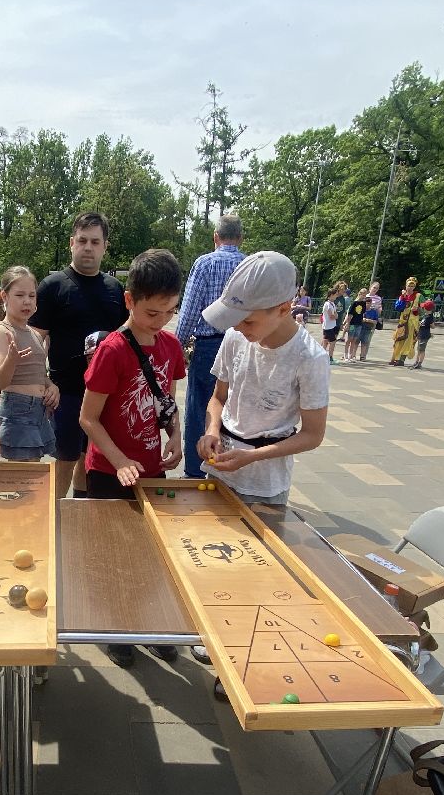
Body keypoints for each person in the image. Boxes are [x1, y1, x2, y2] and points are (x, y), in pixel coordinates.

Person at [79, 248, 186, 667]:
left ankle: (151, 623)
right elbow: (88, 419)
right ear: (129, 301)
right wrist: (120, 459)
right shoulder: (112, 350)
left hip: (152, 467)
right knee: (113, 555)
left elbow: (167, 403)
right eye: (151, 313)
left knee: (151, 552)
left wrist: (174, 436)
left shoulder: (171, 345)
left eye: (169, 312)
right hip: (108, 470)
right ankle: (116, 627)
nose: (160, 322)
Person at [196, 250, 330, 511]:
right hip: (220, 472)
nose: (237, 327)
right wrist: (212, 430)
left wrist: (252, 456)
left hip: (265, 487)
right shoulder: (236, 338)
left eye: (247, 321)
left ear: (283, 309)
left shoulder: (310, 358)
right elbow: (218, 398)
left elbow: (313, 435)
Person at [31, 212, 129, 498]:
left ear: (104, 246)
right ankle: (57, 514)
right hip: (66, 392)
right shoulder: (53, 286)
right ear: (72, 243)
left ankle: (79, 511)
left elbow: (124, 339)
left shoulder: (114, 289)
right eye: (82, 241)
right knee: (65, 457)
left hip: (104, 394)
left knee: (90, 458)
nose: (88, 247)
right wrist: (45, 381)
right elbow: (37, 340)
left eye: (95, 242)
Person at [175, 214, 245, 479]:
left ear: (216, 237)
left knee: (199, 409)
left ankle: (195, 471)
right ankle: (228, 468)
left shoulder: (205, 263)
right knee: (235, 409)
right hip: (244, 345)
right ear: (240, 238)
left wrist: (178, 345)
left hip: (208, 346)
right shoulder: (249, 264)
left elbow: (190, 309)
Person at [0, 265, 58, 462]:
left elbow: (38, 374)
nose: (27, 301)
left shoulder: (35, 334)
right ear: (4, 297)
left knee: (34, 472)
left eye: (31, 295)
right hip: (17, 409)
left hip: (38, 410)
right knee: (23, 477)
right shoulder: (2, 332)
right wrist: (11, 359)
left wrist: (51, 386)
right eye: (19, 295)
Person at [389, 276, 421, 366]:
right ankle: (395, 358)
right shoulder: (402, 296)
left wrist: (418, 309)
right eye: (409, 286)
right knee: (398, 339)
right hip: (402, 322)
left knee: (408, 341)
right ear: (406, 286)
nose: (410, 288)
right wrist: (402, 298)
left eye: (412, 286)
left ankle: (401, 360)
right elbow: (398, 308)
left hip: (412, 323)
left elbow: (425, 307)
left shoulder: (418, 296)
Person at [410, 299, 436, 369]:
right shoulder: (425, 316)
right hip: (421, 334)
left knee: (422, 350)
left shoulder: (430, 317)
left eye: (424, 307)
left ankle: (419, 363)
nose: (422, 308)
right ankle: (416, 362)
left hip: (424, 335)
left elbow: (433, 326)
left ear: (426, 309)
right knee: (419, 349)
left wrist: (430, 329)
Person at [343, 288, 367, 362]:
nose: (364, 296)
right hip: (352, 323)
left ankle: (351, 355)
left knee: (354, 340)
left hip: (359, 323)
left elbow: (363, 313)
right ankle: (345, 355)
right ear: (359, 294)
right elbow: (350, 314)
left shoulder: (363, 303)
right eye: (363, 294)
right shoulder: (354, 303)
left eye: (365, 295)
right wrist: (348, 323)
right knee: (349, 339)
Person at [319, 285, 341, 359]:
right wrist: (335, 315)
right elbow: (331, 316)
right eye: (335, 294)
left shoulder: (333, 304)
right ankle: (329, 357)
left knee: (325, 341)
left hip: (332, 325)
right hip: (328, 326)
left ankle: (323, 357)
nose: (336, 296)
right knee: (332, 342)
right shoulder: (327, 304)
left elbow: (336, 314)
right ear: (331, 295)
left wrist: (335, 315)